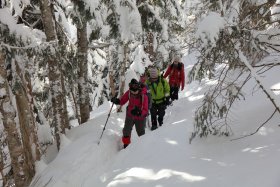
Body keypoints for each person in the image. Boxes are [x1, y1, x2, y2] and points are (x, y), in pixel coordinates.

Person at [111, 78, 148, 148]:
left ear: (138, 88)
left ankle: (143, 147)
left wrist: (139, 112)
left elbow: (146, 110)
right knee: (126, 131)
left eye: (135, 91)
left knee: (141, 133)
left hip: (140, 117)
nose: (133, 93)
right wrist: (117, 101)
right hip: (130, 115)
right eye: (132, 91)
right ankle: (126, 145)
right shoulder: (129, 92)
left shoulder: (143, 96)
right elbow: (122, 100)